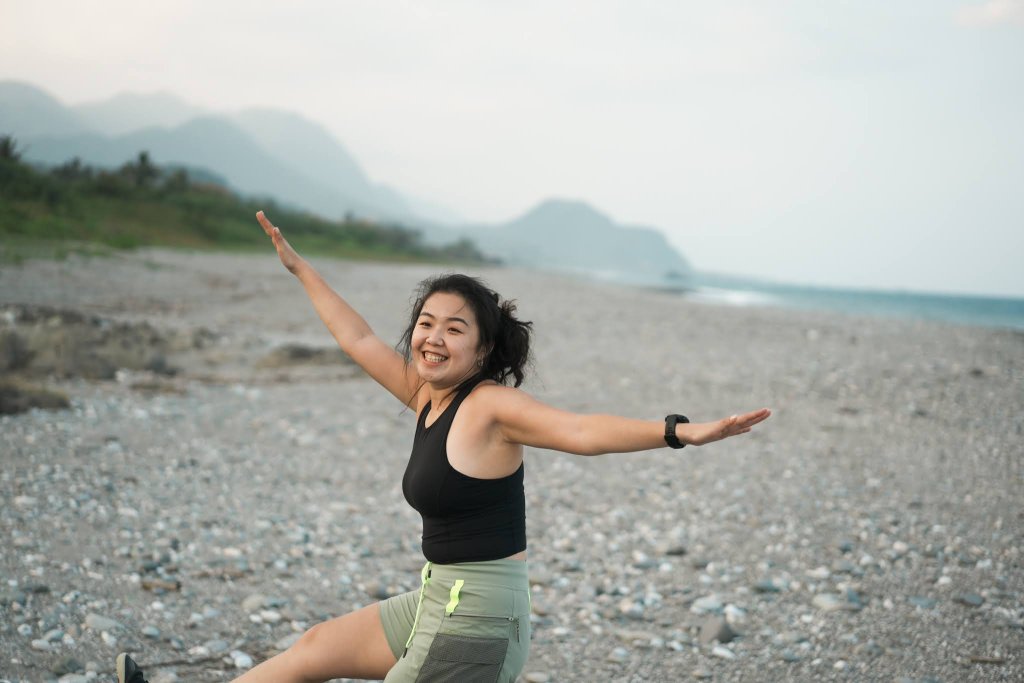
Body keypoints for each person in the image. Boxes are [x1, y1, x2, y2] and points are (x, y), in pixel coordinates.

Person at [116, 210, 770, 683]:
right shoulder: (429, 393)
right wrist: (300, 269)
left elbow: (578, 431)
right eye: (426, 323)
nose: (431, 337)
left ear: (483, 349)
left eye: (453, 328)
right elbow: (360, 338)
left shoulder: (489, 405)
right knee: (314, 648)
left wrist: (681, 430)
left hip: (478, 619)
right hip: (442, 597)